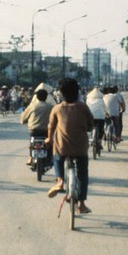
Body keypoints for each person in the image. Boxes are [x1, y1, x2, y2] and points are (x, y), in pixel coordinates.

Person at [45, 78, 94, 214]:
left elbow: (51, 126)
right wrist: (87, 127)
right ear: (77, 91)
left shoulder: (57, 108)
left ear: (61, 93)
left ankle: (60, 180)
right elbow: (91, 123)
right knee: (83, 174)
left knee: (57, 155)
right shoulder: (83, 107)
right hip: (80, 148)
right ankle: (82, 204)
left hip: (63, 147)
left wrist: (49, 138)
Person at [20, 88, 53, 165]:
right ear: (46, 97)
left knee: (32, 142)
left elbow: (23, 118)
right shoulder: (51, 107)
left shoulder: (32, 106)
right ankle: (50, 158)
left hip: (34, 131)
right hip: (46, 131)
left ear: (37, 97)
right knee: (49, 143)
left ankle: (30, 157)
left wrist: (23, 121)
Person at [86, 86, 106, 151]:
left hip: (91, 117)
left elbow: (86, 108)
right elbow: (105, 109)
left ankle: (91, 139)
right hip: (100, 117)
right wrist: (107, 114)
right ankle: (99, 143)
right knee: (101, 130)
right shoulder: (101, 100)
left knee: (90, 128)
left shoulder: (88, 100)